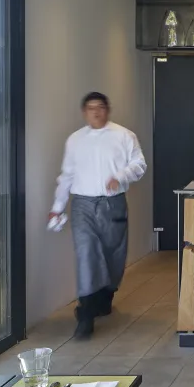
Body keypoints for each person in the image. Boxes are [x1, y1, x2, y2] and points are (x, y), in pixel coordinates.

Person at [49, 92, 146, 340]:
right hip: (82, 204)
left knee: (114, 253)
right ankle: (86, 311)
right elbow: (67, 175)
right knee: (86, 252)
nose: (96, 112)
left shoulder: (123, 135)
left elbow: (139, 165)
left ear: (107, 110)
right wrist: (58, 206)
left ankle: (104, 296)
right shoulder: (75, 140)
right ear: (84, 112)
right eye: (91, 108)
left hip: (113, 203)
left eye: (100, 107)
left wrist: (120, 177)